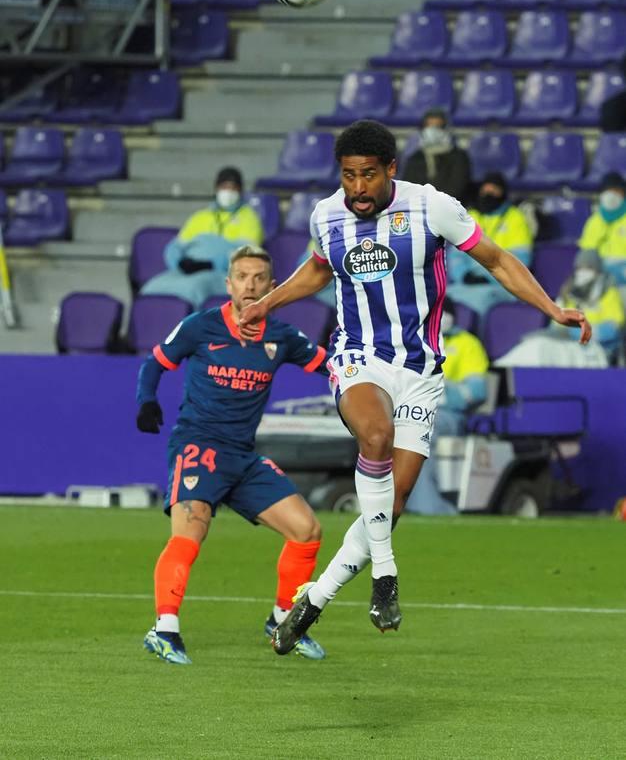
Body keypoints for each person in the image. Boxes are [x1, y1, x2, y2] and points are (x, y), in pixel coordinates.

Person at [237, 119, 591, 655]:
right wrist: (268, 302)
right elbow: (318, 269)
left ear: (391, 170)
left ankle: (312, 601)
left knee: (392, 503)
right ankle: (385, 574)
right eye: (349, 175)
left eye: (368, 175)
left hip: (420, 370)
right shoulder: (326, 214)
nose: (358, 187)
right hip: (359, 358)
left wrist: (552, 308)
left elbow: (497, 259)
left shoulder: (432, 207)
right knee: (375, 436)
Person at [136, 244, 329, 664]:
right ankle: (163, 629)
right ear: (228, 284)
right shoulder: (200, 326)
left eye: (259, 278)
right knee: (190, 533)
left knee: (307, 529)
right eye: (242, 277)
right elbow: (155, 363)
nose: (250, 285)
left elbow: (329, 366)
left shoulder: (282, 336)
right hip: (198, 447)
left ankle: (283, 621)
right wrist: (146, 399)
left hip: (242, 457)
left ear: (273, 287)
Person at [405, 296, 489, 515]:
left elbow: (476, 392)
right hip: (409, 407)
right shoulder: (412, 341)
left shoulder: (466, 343)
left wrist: (437, 389)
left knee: (418, 430)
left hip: (448, 415)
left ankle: (429, 507)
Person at [141, 167, 264, 309]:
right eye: (224, 187)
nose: (228, 192)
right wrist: (179, 263)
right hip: (187, 272)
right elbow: (176, 247)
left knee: (193, 289)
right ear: (216, 189)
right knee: (151, 288)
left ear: (240, 191)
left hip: (223, 273)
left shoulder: (249, 218)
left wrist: (212, 264)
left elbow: (246, 255)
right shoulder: (200, 217)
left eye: (233, 188)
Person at [447, 171, 534, 316]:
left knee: (480, 300)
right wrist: (464, 275)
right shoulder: (471, 217)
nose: (489, 193)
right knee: (441, 298)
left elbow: (521, 260)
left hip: (502, 285)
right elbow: (455, 256)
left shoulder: (515, 217)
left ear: (502, 193)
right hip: (468, 282)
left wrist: (489, 278)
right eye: (486, 189)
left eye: (494, 190)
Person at [556, 249, 624, 362]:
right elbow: (556, 322)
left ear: (597, 270)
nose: (583, 272)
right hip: (571, 346)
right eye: (580, 268)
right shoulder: (568, 291)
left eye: (588, 268)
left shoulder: (608, 291)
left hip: (602, 348)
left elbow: (615, 325)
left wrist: (587, 333)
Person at [402, 107, 471, 203]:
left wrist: (435, 203)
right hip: (420, 206)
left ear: (446, 128)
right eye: (429, 126)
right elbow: (409, 186)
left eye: (438, 126)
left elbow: (457, 187)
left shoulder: (459, 157)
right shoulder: (416, 157)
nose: (432, 130)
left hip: (450, 206)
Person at [578, 172, 626, 287]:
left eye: (616, 190)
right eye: (607, 191)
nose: (611, 195)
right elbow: (586, 254)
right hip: (599, 276)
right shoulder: (594, 221)